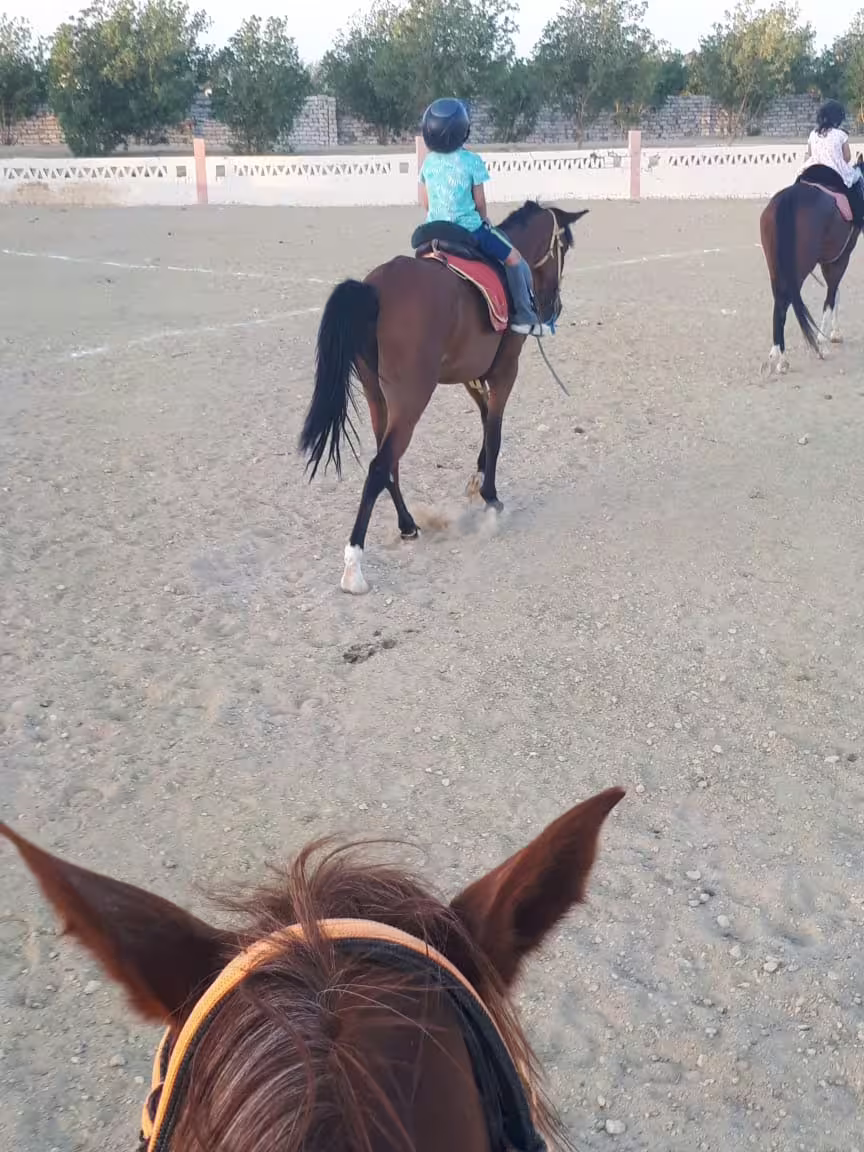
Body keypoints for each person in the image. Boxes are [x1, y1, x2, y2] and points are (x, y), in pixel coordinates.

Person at [419, 98, 551, 337]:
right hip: (468, 230)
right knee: (514, 259)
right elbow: (479, 203)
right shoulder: (472, 161)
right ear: (462, 130)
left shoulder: (427, 163)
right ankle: (525, 316)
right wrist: (483, 220)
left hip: (433, 230)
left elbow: (425, 202)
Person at [798, 99, 864, 228]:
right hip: (833, 173)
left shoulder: (813, 134)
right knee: (857, 181)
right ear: (837, 118)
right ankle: (858, 216)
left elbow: (810, 154)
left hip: (812, 171)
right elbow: (847, 157)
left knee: (798, 182)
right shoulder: (841, 134)